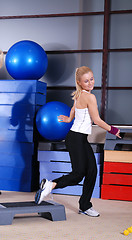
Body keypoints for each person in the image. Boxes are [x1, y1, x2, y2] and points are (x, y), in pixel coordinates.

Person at [35, 66, 121, 217]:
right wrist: (112, 130)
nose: (90, 83)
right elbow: (96, 120)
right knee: (78, 174)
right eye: (86, 81)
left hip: (79, 138)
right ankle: (50, 185)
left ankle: (85, 205)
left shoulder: (80, 94)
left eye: (91, 79)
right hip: (76, 138)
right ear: (80, 82)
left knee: (92, 171)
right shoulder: (90, 97)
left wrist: (69, 118)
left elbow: (74, 108)